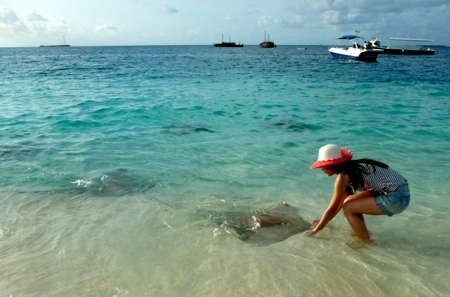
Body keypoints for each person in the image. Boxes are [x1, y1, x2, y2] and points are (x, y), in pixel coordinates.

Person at [305, 144, 410, 243]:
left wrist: (317, 230)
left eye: (323, 165)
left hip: (395, 199)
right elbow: (339, 204)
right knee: (348, 201)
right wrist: (323, 221)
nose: (322, 169)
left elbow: (332, 209)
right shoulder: (354, 168)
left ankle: (365, 241)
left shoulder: (343, 176)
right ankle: (363, 233)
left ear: (333, 165)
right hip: (402, 196)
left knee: (349, 207)